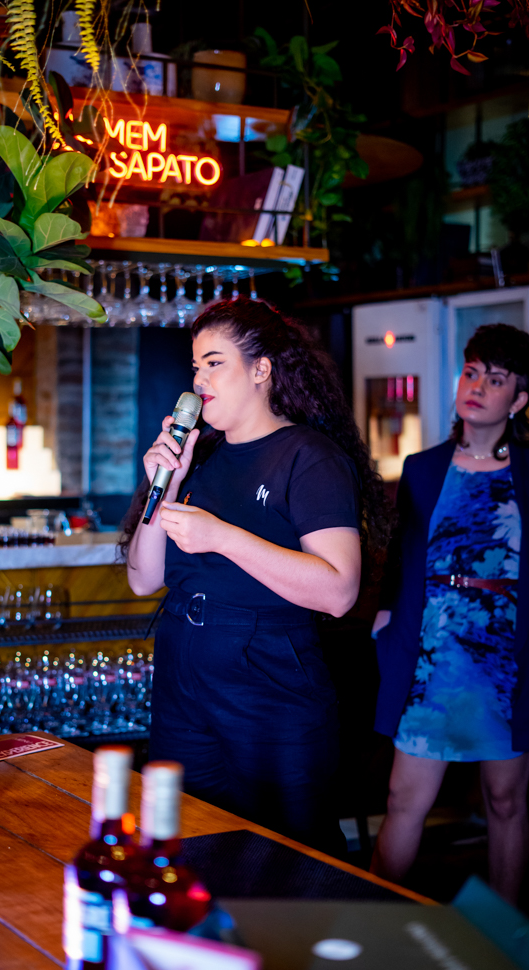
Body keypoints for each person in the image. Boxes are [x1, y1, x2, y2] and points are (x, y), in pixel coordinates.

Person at [121, 297, 390, 850]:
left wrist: (223, 537)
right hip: (183, 674)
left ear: (261, 369)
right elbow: (143, 579)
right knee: (188, 846)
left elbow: (339, 590)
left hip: (267, 677)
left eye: (214, 363)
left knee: (285, 856)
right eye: (195, 366)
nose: (199, 380)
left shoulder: (307, 457)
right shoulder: (200, 457)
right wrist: (164, 485)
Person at [371, 324, 529, 904]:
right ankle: (377, 922)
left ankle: (507, 936)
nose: (477, 387)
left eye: (496, 379)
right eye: (471, 373)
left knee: (506, 802)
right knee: (402, 799)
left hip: (507, 657)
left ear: (518, 400)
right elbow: (400, 553)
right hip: (431, 654)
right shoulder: (423, 467)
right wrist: (385, 615)